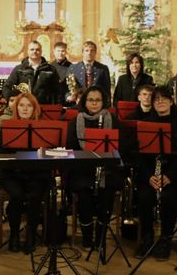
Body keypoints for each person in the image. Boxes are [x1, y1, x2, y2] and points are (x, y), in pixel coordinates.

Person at [127, 86, 177, 260]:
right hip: (151, 176)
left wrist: (168, 176)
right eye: (157, 99)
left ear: (172, 101)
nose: (160, 102)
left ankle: (165, 239)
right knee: (143, 196)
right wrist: (149, 176)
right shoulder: (145, 124)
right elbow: (138, 157)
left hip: (175, 177)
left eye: (164, 98)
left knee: (168, 197)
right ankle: (147, 238)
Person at [66, 86, 121, 249]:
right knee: (84, 196)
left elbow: (119, 148)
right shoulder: (75, 121)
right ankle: (87, 237)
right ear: (84, 101)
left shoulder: (112, 119)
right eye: (91, 100)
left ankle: (101, 237)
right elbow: (71, 149)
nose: (94, 103)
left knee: (107, 194)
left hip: (107, 169)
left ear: (104, 102)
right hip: (83, 169)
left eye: (98, 100)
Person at [0, 92, 49, 254]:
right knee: (16, 196)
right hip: (12, 174)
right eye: (22, 105)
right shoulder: (7, 125)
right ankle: (14, 234)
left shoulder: (43, 127)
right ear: (16, 108)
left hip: (37, 173)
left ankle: (31, 233)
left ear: (35, 109)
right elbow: (0, 153)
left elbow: (51, 153)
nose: (25, 109)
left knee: (34, 197)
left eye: (29, 105)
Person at [2, 40, 60, 104]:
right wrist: (11, 100)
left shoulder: (51, 69)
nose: (35, 51)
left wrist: (56, 107)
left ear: (41, 51)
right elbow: (6, 87)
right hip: (23, 107)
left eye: (37, 49)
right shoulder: (19, 69)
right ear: (28, 51)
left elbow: (58, 90)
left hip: (44, 106)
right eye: (32, 49)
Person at [66, 41, 112, 106]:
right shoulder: (73, 68)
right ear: (82, 52)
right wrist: (69, 96)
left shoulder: (103, 69)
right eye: (86, 51)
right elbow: (66, 87)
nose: (89, 53)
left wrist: (107, 106)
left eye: (92, 51)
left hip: (96, 105)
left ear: (95, 52)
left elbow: (106, 90)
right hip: (78, 104)